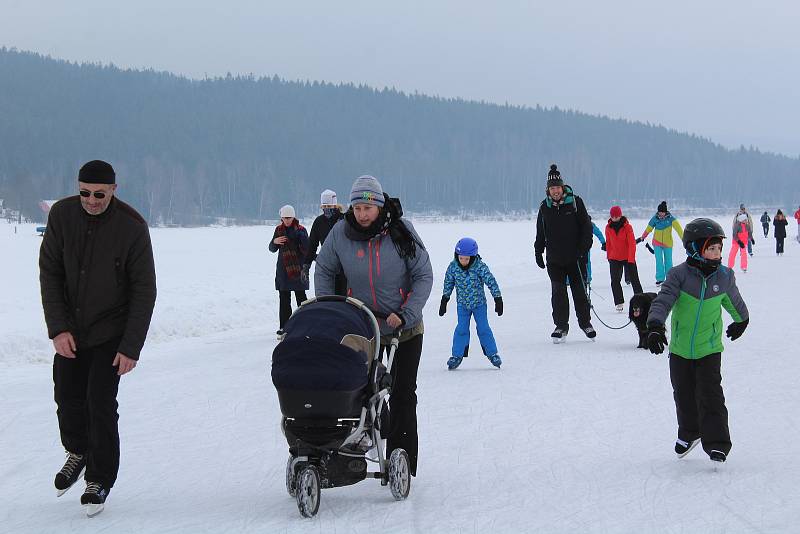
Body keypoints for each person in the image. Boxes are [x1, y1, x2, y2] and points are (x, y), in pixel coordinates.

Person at [39, 160, 157, 515]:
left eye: (99, 194)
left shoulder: (132, 227)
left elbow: (144, 290)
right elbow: (50, 273)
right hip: (72, 328)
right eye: (85, 193)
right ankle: (78, 451)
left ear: (113, 191)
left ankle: (99, 478)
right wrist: (58, 328)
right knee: (67, 396)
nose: (91, 200)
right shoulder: (61, 216)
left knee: (100, 402)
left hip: (111, 330)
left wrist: (130, 346)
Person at [314, 175, 433, 476]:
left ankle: (401, 457)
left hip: (404, 328)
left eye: (368, 207)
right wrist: (332, 308)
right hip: (363, 328)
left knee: (403, 393)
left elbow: (423, 275)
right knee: (359, 391)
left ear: (379, 206)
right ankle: (350, 445)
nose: (362, 214)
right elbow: (325, 269)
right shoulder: (341, 233)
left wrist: (406, 312)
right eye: (357, 208)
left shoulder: (401, 231)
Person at [645, 218, 748, 463]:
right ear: (695, 249)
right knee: (683, 393)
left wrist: (741, 320)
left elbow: (734, 302)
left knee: (710, 394)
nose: (717, 253)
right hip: (680, 349)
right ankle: (690, 433)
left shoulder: (723, 277)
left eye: (719, 249)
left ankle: (717, 443)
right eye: (711, 248)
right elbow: (664, 300)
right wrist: (655, 325)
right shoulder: (679, 275)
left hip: (709, 348)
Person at [534, 164, 595, 343]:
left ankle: (585, 323)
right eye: (552, 188)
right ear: (548, 190)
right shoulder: (544, 208)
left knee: (579, 292)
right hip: (555, 259)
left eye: (557, 188)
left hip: (575, 258)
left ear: (562, 187)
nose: (555, 191)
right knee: (558, 293)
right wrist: (538, 251)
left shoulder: (576, 202)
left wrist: (583, 250)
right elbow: (540, 232)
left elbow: (586, 228)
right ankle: (561, 326)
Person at [439, 237, 503, 370]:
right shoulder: (453, 267)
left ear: (473, 257)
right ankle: (457, 355)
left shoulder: (480, 267)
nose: (463, 261)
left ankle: (492, 354)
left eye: (467, 259)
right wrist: (445, 299)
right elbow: (448, 283)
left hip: (479, 304)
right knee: (461, 329)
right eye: (461, 258)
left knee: (483, 328)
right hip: (462, 305)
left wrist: (498, 298)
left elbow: (491, 281)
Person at [269, 205, 309, 335]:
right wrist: (274, 241)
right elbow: (272, 249)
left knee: (301, 299)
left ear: (293, 217)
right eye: (284, 218)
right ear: (281, 218)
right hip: (283, 269)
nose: (287, 220)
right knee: (284, 299)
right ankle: (284, 327)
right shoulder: (278, 230)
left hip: (298, 269)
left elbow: (307, 248)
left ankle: (305, 324)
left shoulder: (301, 229)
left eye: (289, 218)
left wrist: (301, 238)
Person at [303, 189, 346, 295]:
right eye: (324, 207)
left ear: (335, 205)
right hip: (327, 267)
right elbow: (312, 245)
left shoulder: (344, 220)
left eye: (329, 206)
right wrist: (306, 266)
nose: (326, 209)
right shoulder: (319, 222)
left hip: (345, 267)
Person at [604, 206, 644, 312]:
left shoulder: (627, 227)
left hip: (627, 257)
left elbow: (632, 244)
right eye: (613, 216)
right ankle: (619, 302)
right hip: (614, 257)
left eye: (617, 216)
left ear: (620, 215)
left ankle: (641, 301)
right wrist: (609, 256)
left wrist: (631, 259)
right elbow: (608, 243)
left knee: (635, 280)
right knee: (615, 281)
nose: (615, 218)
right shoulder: (608, 228)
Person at [638, 201, 683, 285]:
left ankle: (670, 278)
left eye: (662, 212)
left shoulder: (671, 219)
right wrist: (643, 237)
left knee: (668, 261)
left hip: (668, 243)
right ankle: (660, 279)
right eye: (660, 212)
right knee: (659, 261)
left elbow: (679, 229)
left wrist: (684, 239)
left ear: (665, 212)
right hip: (657, 243)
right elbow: (648, 228)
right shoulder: (655, 218)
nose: (661, 214)